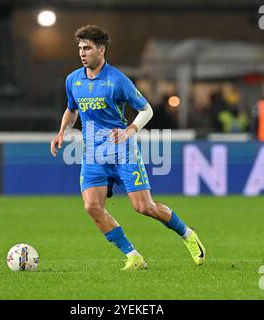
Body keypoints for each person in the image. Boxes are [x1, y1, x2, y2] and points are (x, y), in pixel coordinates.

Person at [50, 25, 205, 271]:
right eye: (80, 48)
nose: (82, 52)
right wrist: (62, 133)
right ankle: (133, 256)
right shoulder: (73, 80)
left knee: (144, 207)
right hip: (93, 154)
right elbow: (72, 109)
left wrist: (130, 130)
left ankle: (187, 234)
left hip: (122, 151)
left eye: (87, 48)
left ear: (101, 50)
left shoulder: (117, 80)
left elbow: (147, 109)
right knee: (92, 207)